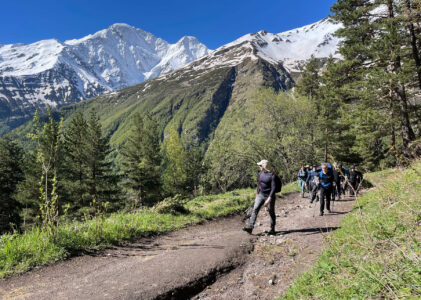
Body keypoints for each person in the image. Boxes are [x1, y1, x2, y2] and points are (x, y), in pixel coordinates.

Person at [243, 160, 276, 235]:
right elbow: (259, 184)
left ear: (264, 166)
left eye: (260, 165)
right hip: (260, 195)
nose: (259, 166)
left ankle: (272, 229)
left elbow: (273, 188)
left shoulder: (272, 175)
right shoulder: (260, 173)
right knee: (255, 209)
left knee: (271, 212)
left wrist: (269, 199)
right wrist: (257, 195)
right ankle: (250, 227)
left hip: (269, 196)